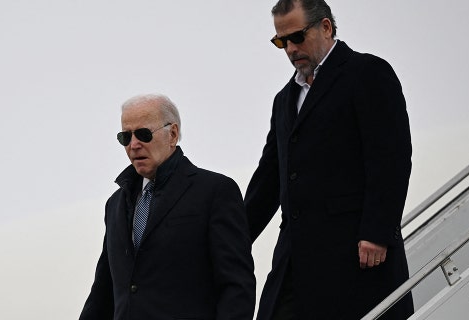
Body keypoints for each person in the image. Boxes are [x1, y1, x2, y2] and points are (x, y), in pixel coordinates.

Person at [244, 0, 414, 319]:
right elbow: (268, 179)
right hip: (295, 261)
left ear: (326, 27)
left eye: (297, 37)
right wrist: (232, 239)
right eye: (281, 42)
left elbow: (391, 157)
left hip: (356, 257)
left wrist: (377, 232)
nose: (291, 49)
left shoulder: (367, 73)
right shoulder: (284, 100)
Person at [80, 94, 256, 320]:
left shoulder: (214, 191)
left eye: (143, 134)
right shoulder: (115, 205)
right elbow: (103, 293)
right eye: (126, 136)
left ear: (172, 134)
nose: (134, 145)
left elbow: (236, 286)